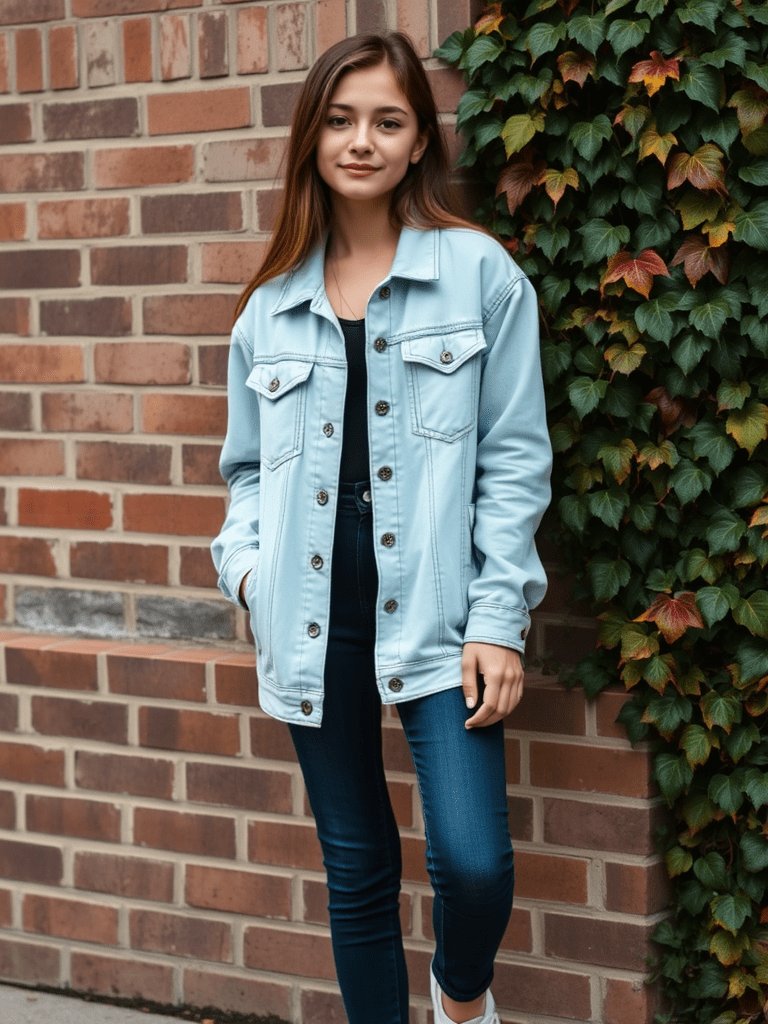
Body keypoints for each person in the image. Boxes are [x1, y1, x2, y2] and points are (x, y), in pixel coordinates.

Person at [211, 30, 552, 1024]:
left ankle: (460, 998)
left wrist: (498, 616)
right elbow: (241, 476)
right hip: (311, 615)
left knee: (475, 860)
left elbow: (515, 455)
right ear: (312, 136)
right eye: (342, 118)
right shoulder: (268, 308)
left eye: (388, 121)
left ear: (417, 143)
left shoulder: (478, 273)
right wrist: (250, 579)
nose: (362, 140)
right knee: (357, 867)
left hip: (444, 613)